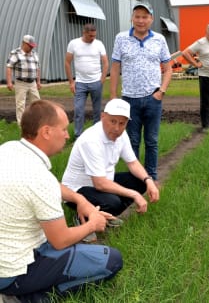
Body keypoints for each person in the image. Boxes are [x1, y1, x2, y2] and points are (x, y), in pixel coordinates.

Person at [0, 100, 122, 302]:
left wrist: (78, 198)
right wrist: (94, 224)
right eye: (64, 129)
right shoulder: (40, 179)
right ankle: (29, 297)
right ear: (46, 132)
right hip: (14, 271)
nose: (67, 135)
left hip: (7, 255)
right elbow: (60, 240)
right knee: (112, 260)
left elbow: (49, 185)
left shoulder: (9, 149)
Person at [62, 99, 159, 224]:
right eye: (112, 121)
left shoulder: (121, 135)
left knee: (141, 181)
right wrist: (134, 194)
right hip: (77, 190)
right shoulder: (91, 140)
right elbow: (100, 184)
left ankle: (105, 215)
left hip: (104, 182)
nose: (117, 128)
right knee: (114, 203)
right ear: (103, 117)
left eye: (122, 123)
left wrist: (149, 180)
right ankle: (83, 217)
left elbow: (133, 163)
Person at [110, 2, 172, 183]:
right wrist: (113, 97)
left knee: (152, 141)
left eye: (145, 17)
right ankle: (136, 179)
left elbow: (168, 69)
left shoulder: (159, 40)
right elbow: (114, 68)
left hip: (153, 98)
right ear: (132, 18)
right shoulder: (121, 38)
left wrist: (161, 91)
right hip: (129, 100)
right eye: (137, 16)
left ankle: (151, 178)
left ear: (151, 19)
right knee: (132, 141)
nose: (141, 20)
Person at [65, 23, 109, 139]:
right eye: (90, 36)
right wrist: (71, 82)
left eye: (94, 36)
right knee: (78, 110)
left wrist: (102, 80)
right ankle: (78, 136)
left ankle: (96, 136)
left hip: (96, 82)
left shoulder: (99, 44)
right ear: (84, 33)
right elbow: (67, 63)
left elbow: (105, 62)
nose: (92, 38)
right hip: (80, 83)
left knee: (97, 110)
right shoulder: (74, 44)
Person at [182, 23, 209, 131]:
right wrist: (196, 64)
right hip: (206, 76)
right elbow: (186, 53)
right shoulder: (201, 43)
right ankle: (205, 125)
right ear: (206, 32)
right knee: (206, 102)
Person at [6, 35, 42, 126]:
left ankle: (37, 124)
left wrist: (38, 82)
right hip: (21, 83)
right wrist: (9, 82)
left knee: (37, 103)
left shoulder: (34, 54)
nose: (31, 48)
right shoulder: (15, 53)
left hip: (33, 83)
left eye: (32, 46)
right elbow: (9, 67)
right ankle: (22, 126)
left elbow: (37, 68)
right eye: (30, 46)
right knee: (20, 105)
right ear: (24, 43)